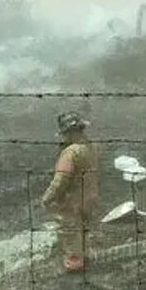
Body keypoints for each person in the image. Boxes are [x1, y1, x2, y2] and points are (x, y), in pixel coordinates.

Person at [41, 111, 100, 273]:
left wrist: (47, 198)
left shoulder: (70, 153)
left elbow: (61, 180)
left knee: (69, 233)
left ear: (69, 132)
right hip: (90, 197)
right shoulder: (91, 147)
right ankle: (86, 257)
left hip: (72, 202)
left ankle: (74, 267)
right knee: (84, 230)